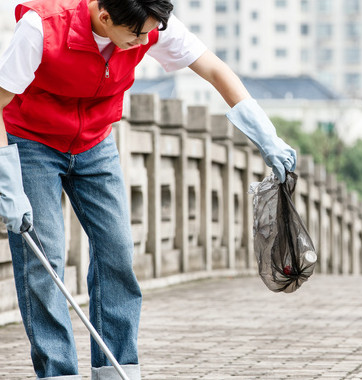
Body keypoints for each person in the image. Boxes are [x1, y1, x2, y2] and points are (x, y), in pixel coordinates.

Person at [0, 0, 296, 378]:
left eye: (150, 33)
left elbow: (214, 70)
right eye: (137, 36)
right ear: (104, 17)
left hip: (95, 142)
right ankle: (58, 373)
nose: (146, 41)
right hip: (32, 141)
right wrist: (8, 180)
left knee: (118, 251)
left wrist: (265, 136)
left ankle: (117, 369)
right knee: (45, 261)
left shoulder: (147, 24)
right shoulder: (41, 29)